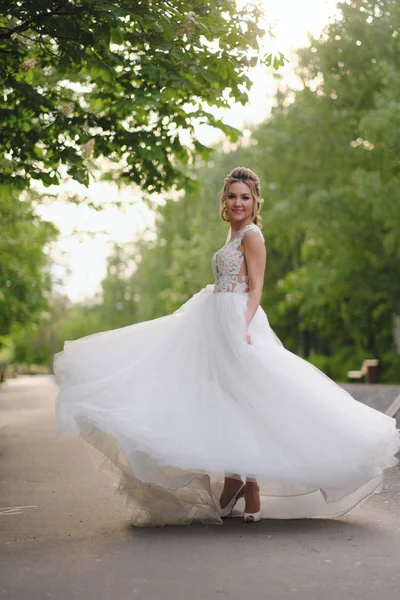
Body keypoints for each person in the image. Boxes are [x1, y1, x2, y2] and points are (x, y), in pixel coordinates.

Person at [54, 166, 400, 527]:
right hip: (212, 319)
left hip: (237, 320)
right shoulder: (231, 233)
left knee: (248, 399)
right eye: (232, 196)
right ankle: (237, 478)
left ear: (255, 202)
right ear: (225, 200)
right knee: (220, 398)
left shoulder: (252, 235)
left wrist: (243, 326)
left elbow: (256, 287)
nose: (238, 203)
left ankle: (249, 484)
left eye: (245, 197)